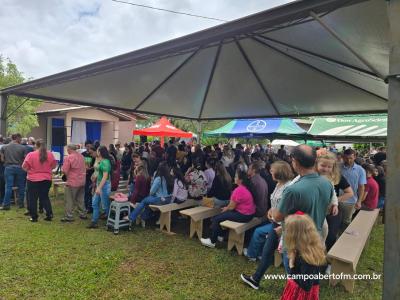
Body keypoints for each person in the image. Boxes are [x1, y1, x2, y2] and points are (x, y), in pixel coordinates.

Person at [244, 161, 293, 261]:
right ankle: (260, 253)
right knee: (260, 230)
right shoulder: (279, 184)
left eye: (272, 171)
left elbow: (287, 208)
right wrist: (270, 211)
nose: (270, 172)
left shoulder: (288, 188)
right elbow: (275, 203)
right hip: (274, 220)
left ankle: (252, 255)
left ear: (279, 172)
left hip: (282, 224)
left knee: (258, 232)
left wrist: (275, 215)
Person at [200, 170, 256, 248]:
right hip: (249, 214)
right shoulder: (245, 188)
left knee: (216, 219)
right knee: (222, 216)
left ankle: (212, 241)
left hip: (244, 215)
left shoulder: (238, 190)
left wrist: (225, 209)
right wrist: (227, 208)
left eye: (236, 177)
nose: (234, 178)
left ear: (240, 180)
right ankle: (220, 235)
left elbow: (232, 207)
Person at [280, 214, 326, 300]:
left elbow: (306, 285)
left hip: (301, 293)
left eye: (288, 231)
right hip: (297, 286)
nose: (286, 233)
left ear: (295, 235)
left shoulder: (307, 259)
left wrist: (291, 266)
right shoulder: (305, 248)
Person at [315, 153, 353, 251]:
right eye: (323, 165)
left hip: (330, 211)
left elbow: (349, 193)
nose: (326, 169)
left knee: (330, 236)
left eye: (329, 167)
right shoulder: (311, 176)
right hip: (315, 211)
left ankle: (328, 257)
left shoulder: (334, 177)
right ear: (317, 164)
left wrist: (334, 203)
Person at [22, 140, 56, 222]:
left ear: (36, 146)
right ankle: (49, 214)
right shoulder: (50, 154)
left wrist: (29, 171)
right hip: (46, 179)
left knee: (32, 198)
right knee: (44, 197)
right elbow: (54, 166)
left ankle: (34, 217)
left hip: (33, 179)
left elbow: (24, 166)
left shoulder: (31, 154)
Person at [0, 133, 28, 210]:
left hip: (8, 167)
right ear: (17, 138)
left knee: (8, 187)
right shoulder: (23, 148)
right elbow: (26, 159)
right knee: (21, 186)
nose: (21, 140)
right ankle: (21, 204)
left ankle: (6, 205)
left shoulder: (4, 147)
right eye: (20, 138)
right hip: (20, 168)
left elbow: (2, 159)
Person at [340, 149, 366, 229]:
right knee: (336, 220)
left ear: (355, 157)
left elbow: (361, 187)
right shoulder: (338, 167)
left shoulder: (360, 170)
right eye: (346, 158)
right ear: (343, 157)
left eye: (350, 158)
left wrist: (359, 201)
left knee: (346, 221)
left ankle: (344, 238)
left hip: (351, 201)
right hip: (337, 199)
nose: (348, 160)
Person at [87, 146, 112, 228]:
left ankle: (110, 222)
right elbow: (98, 172)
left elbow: (105, 177)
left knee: (105, 206)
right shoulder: (102, 161)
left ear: (100, 152)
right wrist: (94, 177)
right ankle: (94, 222)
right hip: (100, 184)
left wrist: (99, 188)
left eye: (97, 151)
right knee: (95, 203)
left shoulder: (105, 162)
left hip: (104, 185)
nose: (96, 152)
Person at [61, 144, 87, 222]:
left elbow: (65, 170)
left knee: (69, 199)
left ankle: (69, 216)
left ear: (69, 149)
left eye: (67, 149)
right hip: (82, 180)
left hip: (72, 181)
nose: (67, 151)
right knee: (80, 199)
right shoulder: (82, 156)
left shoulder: (69, 157)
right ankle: (83, 214)